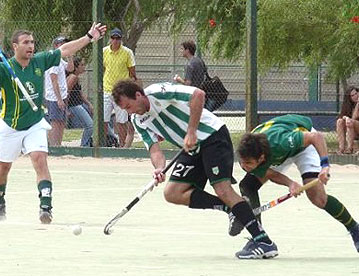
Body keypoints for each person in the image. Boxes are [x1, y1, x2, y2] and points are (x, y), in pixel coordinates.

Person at [112, 79, 279, 259]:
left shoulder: (158, 92)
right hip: (191, 148)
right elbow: (154, 150)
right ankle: (233, 209)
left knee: (222, 189)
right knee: (173, 193)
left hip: (211, 136)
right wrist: (159, 168)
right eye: (125, 109)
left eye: (129, 106)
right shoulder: (138, 120)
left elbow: (198, 94)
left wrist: (191, 131)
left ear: (138, 95)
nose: (129, 112)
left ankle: (263, 241)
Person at [0, 22, 107, 224]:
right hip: (10, 126)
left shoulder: (39, 61)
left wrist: (89, 36)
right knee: (3, 168)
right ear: (14, 46)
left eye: (32, 42)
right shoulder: (4, 67)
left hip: (35, 123)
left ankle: (45, 208)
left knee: (39, 159)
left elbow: (64, 50)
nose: (31, 46)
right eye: (26, 42)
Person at [232, 114, 359, 253]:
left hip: (305, 144)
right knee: (248, 185)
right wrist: (290, 183)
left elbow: (317, 137)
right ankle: (260, 239)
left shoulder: (282, 142)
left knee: (318, 198)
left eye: (248, 163)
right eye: (242, 161)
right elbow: (269, 173)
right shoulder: (250, 148)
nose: (244, 166)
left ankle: (354, 227)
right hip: (275, 152)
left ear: (261, 158)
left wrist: (324, 166)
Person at [103, 28, 136, 148]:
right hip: (107, 90)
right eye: (113, 38)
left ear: (121, 39)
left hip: (121, 92)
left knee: (121, 121)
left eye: (118, 38)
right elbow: (102, 69)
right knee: (103, 120)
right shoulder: (104, 52)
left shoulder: (127, 52)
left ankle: (122, 147)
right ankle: (103, 145)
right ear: (110, 39)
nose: (115, 41)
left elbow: (132, 72)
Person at [44, 36, 73, 146]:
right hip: (54, 97)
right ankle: (53, 146)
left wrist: (70, 56)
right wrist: (59, 99)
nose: (66, 46)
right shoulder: (54, 60)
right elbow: (53, 81)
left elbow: (70, 68)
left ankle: (58, 145)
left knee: (61, 123)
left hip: (61, 96)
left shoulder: (60, 59)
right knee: (55, 123)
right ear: (56, 46)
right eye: (62, 44)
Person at [174, 40, 216, 112]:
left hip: (193, 94)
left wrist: (179, 80)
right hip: (203, 92)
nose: (181, 51)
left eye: (182, 49)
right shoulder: (200, 61)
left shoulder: (190, 65)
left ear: (187, 50)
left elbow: (188, 83)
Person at [66, 56, 94, 147]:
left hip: (80, 104)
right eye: (82, 65)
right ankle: (84, 146)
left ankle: (109, 138)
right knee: (90, 125)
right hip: (74, 105)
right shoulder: (73, 77)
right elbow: (67, 93)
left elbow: (80, 94)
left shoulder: (77, 78)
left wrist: (89, 104)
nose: (84, 67)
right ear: (76, 67)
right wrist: (66, 109)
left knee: (96, 119)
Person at [336, 86, 359, 154]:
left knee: (350, 122)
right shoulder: (348, 105)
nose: (355, 96)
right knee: (340, 121)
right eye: (352, 95)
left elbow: (355, 116)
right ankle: (342, 148)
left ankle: (350, 148)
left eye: (356, 93)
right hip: (353, 126)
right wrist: (346, 118)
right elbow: (342, 116)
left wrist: (358, 102)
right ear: (349, 98)